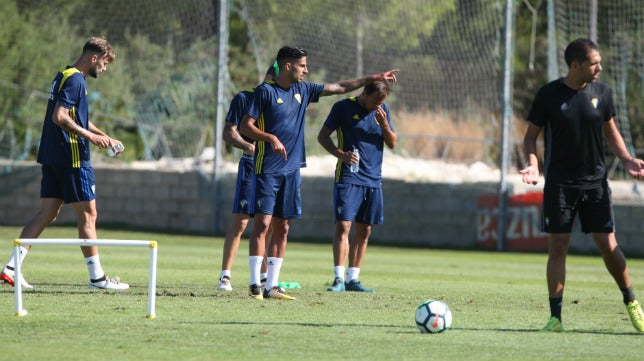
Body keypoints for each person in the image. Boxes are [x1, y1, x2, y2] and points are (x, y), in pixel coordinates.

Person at [240, 45, 398, 300]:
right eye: (302, 65)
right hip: (267, 168)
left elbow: (339, 87)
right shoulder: (264, 92)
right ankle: (254, 285)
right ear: (288, 65)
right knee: (264, 224)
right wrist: (269, 138)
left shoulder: (304, 89)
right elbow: (245, 126)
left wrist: (373, 78)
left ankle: (272, 285)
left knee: (283, 227)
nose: (306, 70)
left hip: (292, 170)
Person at [520, 38, 644, 332]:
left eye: (599, 62)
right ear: (575, 65)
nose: (599, 67)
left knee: (607, 244)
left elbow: (610, 132)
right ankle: (555, 319)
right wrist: (533, 163)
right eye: (593, 63)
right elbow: (530, 136)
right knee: (558, 246)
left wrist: (626, 159)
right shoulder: (549, 94)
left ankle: (632, 303)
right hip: (561, 183)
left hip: (595, 184)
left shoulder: (603, 93)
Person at [0, 37, 129, 290]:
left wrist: (104, 136)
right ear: (94, 58)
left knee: (48, 213)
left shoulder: (64, 74)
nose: (103, 69)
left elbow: (75, 117)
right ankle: (97, 278)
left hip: (51, 155)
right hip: (72, 159)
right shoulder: (76, 80)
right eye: (103, 64)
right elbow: (60, 117)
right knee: (89, 215)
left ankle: (11, 268)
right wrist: (90, 137)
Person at [317, 81, 396, 293]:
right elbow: (322, 136)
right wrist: (340, 154)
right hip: (348, 176)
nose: (376, 106)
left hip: (372, 179)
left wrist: (385, 125)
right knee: (343, 226)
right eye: (374, 101)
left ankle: (353, 279)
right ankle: (338, 279)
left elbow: (393, 143)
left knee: (365, 229)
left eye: (380, 103)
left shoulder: (382, 111)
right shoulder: (342, 107)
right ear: (364, 93)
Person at [216, 64, 277, 291]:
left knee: (268, 224)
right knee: (241, 222)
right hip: (251, 166)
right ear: (270, 75)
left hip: (273, 168)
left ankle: (264, 277)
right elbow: (228, 132)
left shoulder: (285, 100)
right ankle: (225, 276)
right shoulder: (244, 98)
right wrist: (248, 146)